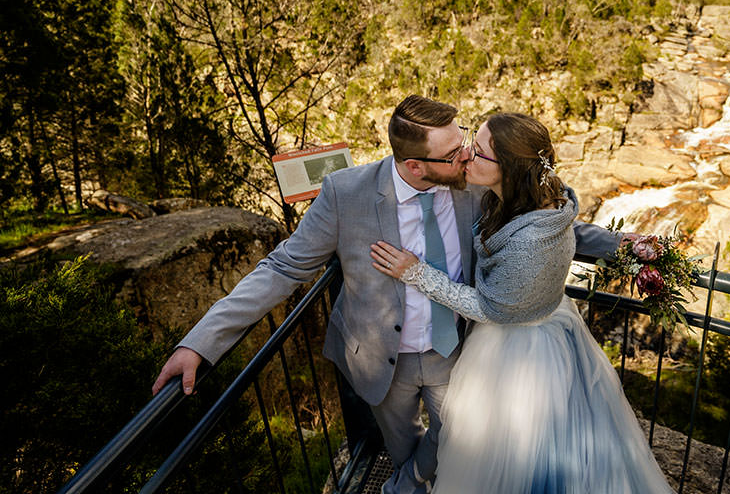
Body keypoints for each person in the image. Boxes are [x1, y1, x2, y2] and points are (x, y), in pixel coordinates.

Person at [151, 96, 622, 494]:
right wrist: (200, 342)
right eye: (454, 153)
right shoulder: (345, 194)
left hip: (459, 353)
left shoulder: (476, 182)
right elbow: (282, 267)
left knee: (458, 448)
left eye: (464, 143)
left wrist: (627, 248)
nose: (466, 157)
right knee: (402, 450)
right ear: (415, 165)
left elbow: (541, 223)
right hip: (380, 362)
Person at [371, 112, 675, 493]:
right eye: (471, 142)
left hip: (519, 350)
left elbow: (489, 308)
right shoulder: (515, 197)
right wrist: (619, 243)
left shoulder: (530, 243)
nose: (466, 155)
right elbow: (565, 229)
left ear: (509, 169)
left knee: (517, 452)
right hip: (534, 322)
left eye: (478, 151)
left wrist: (416, 273)